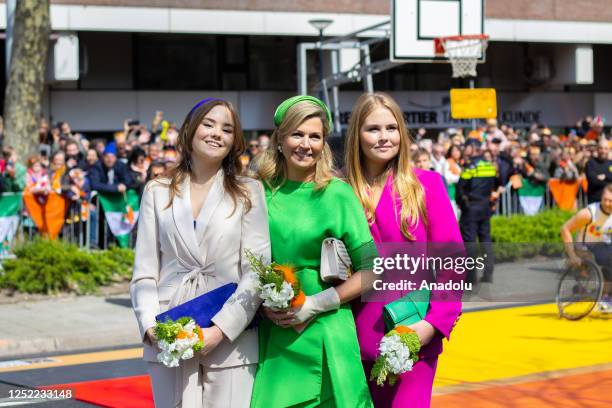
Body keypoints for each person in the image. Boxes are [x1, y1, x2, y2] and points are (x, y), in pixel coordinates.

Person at [130, 98, 271, 408]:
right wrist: (152, 327)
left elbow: (257, 272)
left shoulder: (249, 191)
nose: (216, 133)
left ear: (235, 141)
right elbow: (144, 271)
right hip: (169, 330)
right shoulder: (157, 190)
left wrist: (221, 330)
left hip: (231, 337)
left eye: (227, 128)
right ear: (189, 131)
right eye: (208, 124)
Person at [250, 96, 378, 408]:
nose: (305, 144)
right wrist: (262, 306)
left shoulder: (337, 194)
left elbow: (372, 270)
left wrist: (317, 304)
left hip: (329, 329)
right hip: (278, 332)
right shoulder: (258, 191)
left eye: (315, 136)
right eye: (297, 134)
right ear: (280, 139)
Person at [344, 92, 464, 408]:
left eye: (391, 128)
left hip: (413, 335)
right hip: (351, 339)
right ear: (356, 134)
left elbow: (453, 264)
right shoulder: (340, 192)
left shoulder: (427, 185)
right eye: (373, 129)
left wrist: (431, 325)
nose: (384, 137)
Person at [560, 183, 612, 311]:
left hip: (603, 245)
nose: (607, 203)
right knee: (607, 261)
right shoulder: (588, 214)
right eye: (605, 199)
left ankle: (607, 296)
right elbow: (565, 229)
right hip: (584, 247)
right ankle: (604, 295)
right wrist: (572, 255)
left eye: (610, 201)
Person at [456, 138, 497, 283]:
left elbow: (460, 188)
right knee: (486, 240)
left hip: (471, 208)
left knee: (469, 242)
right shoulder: (490, 166)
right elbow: (494, 185)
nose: (464, 149)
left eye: (466, 146)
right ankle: (488, 274)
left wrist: (462, 204)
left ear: (473, 148)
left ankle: (471, 277)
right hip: (485, 207)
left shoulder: (470, 167)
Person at [585, 139, 612, 203]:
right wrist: (609, 180)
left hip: (610, 202)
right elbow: (593, 182)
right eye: (601, 148)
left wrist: (605, 177)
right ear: (597, 149)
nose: (603, 151)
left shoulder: (611, 163)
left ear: (609, 150)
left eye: (606, 148)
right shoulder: (590, 163)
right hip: (595, 202)